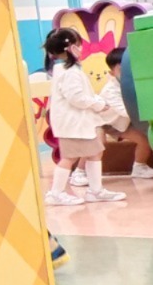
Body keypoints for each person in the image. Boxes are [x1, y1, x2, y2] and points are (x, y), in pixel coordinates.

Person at [43, 27, 123, 206]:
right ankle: (56, 193)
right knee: (70, 157)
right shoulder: (69, 72)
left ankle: (95, 190)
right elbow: (76, 98)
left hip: (78, 124)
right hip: (73, 125)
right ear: (71, 48)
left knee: (95, 152)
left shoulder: (67, 70)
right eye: (78, 45)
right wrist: (98, 104)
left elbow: (80, 95)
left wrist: (97, 101)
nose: (81, 48)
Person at [70, 47, 152, 185]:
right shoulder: (110, 91)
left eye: (130, 70)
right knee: (97, 144)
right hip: (100, 120)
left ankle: (139, 167)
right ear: (111, 73)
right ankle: (79, 172)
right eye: (121, 71)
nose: (127, 74)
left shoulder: (135, 84)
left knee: (144, 139)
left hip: (119, 123)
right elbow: (127, 111)